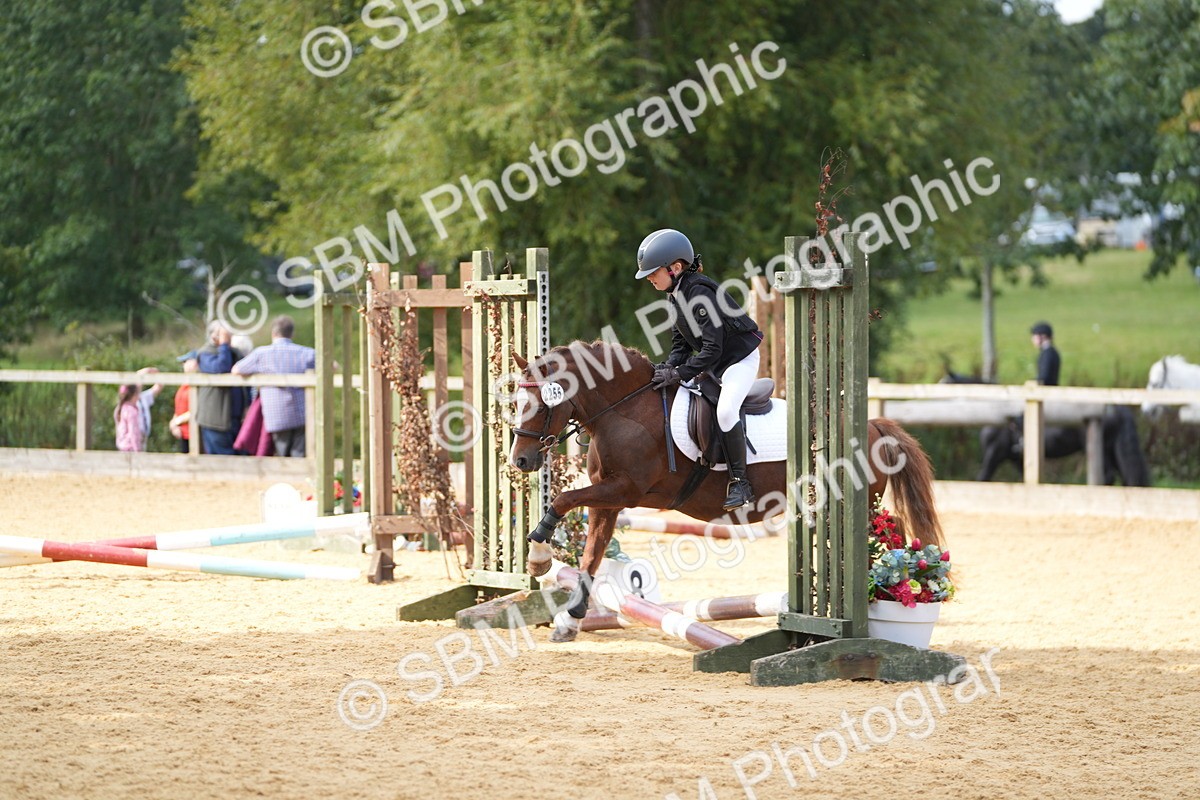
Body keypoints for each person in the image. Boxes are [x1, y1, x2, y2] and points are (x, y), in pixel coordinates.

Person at [636, 228, 763, 511]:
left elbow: (712, 349)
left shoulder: (699, 291)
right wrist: (666, 369)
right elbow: (681, 347)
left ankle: (741, 483)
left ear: (675, 267)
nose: (650, 279)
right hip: (715, 364)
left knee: (727, 410)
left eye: (653, 273)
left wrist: (680, 374)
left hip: (738, 362)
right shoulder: (676, 295)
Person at [232, 315, 316, 457]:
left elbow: (236, 370)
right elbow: (332, 366)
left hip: (276, 414)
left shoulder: (262, 354)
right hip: (301, 412)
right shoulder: (306, 353)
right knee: (299, 455)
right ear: (291, 333)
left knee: (281, 454)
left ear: (274, 333)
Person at [193, 321, 240, 455]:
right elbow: (221, 368)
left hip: (234, 419)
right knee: (223, 460)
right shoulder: (205, 354)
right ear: (214, 336)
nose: (229, 336)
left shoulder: (233, 353)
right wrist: (224, 345)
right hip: (215, 421)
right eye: (225, 334)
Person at [114, 368, 163, 452]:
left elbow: (158, 387)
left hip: (140, 439)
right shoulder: (128, 408)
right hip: (132, 444)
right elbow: (133, 432)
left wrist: (155, 373)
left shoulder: (142, 398)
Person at [169, 355, 198, 453]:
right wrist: (174, 423)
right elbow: (178, 407)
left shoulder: (196, 385)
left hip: (193, 434)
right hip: (182, 433)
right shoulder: (184, 384)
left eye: (185, 362)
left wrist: (176, 422)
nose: (183, 365)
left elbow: (196, 409)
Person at [1030, 321, 1061, 386]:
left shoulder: (1047, 353)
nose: (1032, 340)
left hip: (1047, 392)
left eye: (1034, 336)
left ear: (1041, 337)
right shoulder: (1051, 351)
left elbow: (1044, 377)